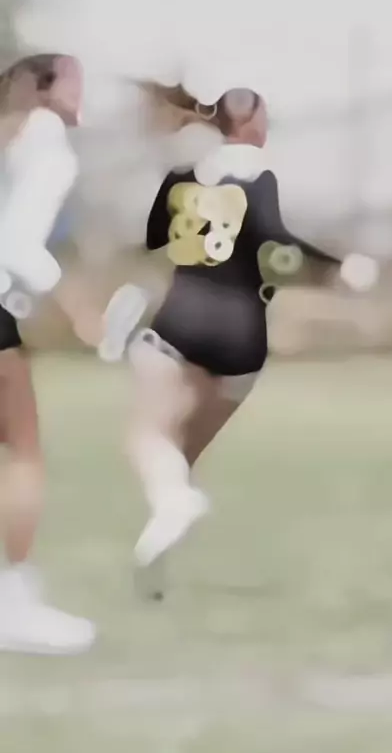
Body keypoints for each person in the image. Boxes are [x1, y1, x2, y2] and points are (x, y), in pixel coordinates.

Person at [99, 86, 350, 595]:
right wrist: (335, 267)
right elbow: (276, 240)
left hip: (183, 321)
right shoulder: (261, 174)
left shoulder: (184, 172)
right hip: (244, 337)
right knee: (180, 461)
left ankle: (171, 511)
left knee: (150, 438)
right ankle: (157, 564)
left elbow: (154, 238)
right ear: (251, 124)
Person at [0, 54, 95, 654]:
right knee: (23, 452)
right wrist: (77, 307)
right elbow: (16, 246)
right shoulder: (46, 140)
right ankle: (14, 606)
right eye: (72, 79)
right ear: (42, 89)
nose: (83, 91)